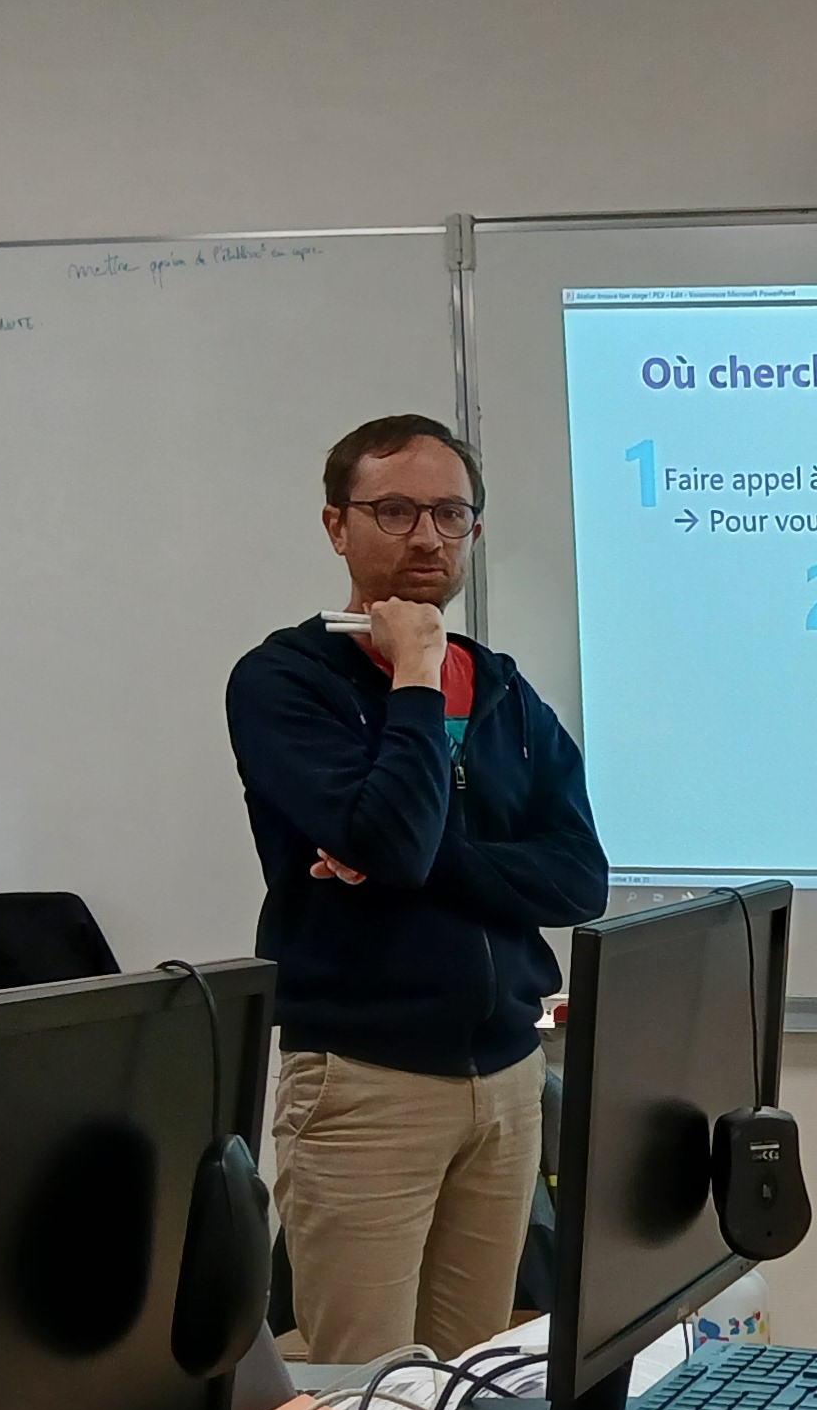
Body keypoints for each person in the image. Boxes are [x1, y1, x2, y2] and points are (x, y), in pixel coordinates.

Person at [225, 413, 607, 1361]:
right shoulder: (284, 682)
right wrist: (418, 672)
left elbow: (578, 880)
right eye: (394, 511)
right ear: (337, 524)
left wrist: (413, 859)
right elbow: (393, 842)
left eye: (450, 513)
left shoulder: (506, 691)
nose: (428, 537)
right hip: (365, 1081)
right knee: (367, 1394)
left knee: (473, 1383)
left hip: (508, 1080)